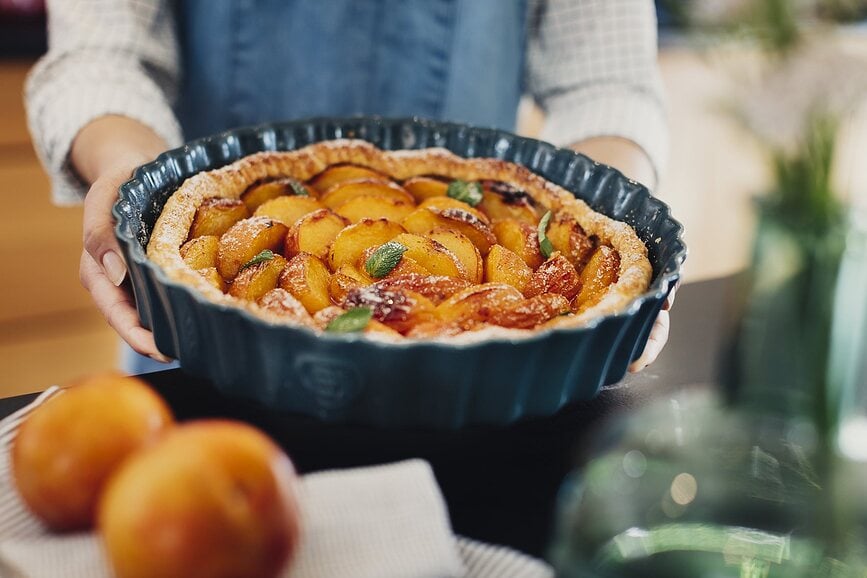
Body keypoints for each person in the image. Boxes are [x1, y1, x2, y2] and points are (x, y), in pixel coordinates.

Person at [26, 0, 673, 375]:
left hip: (486, 380)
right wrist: (133, 174)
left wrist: (603, 240)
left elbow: (606, 81)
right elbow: (100, 57)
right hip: (206, 359)